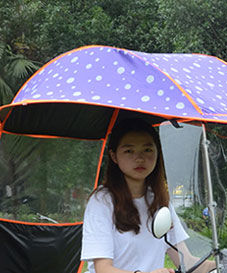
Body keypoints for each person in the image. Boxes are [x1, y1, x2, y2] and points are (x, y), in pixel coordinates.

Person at [80, 116, 214, 273]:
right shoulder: (102, 201)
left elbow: (187, 263)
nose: (139, 158)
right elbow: (103, 269)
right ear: (114, 156)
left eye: (147, 149)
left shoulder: (158, 200)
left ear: (158, 153)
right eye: (129, 150)